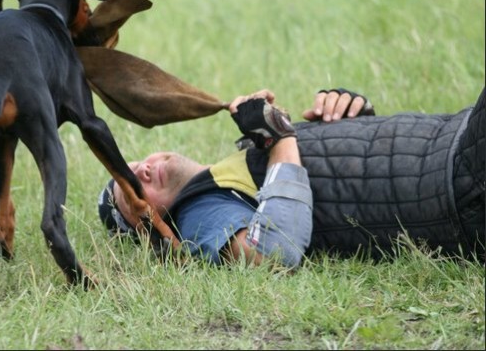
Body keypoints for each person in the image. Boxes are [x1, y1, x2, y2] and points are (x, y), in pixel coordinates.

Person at [98, 87, 485, 268]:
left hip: (456, 141)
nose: (141, 171)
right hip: (457, 183)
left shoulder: (241, 166)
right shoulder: (199, 214)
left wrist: (352, 116)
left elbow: (350, 177)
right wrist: (278, 137)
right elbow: (273, 253)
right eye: (134, 189)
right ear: (154, 226)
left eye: (133, 165)